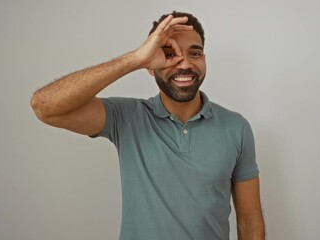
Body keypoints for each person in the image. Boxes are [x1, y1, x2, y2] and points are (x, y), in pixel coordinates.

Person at [31, 11, 265, 240]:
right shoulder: (126, 117)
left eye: (195, 53)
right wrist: (135, 59)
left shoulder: (236, 127)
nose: (184, 64)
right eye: (169, 53)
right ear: (151, 65)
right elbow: (44, 105)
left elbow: (249, 219)